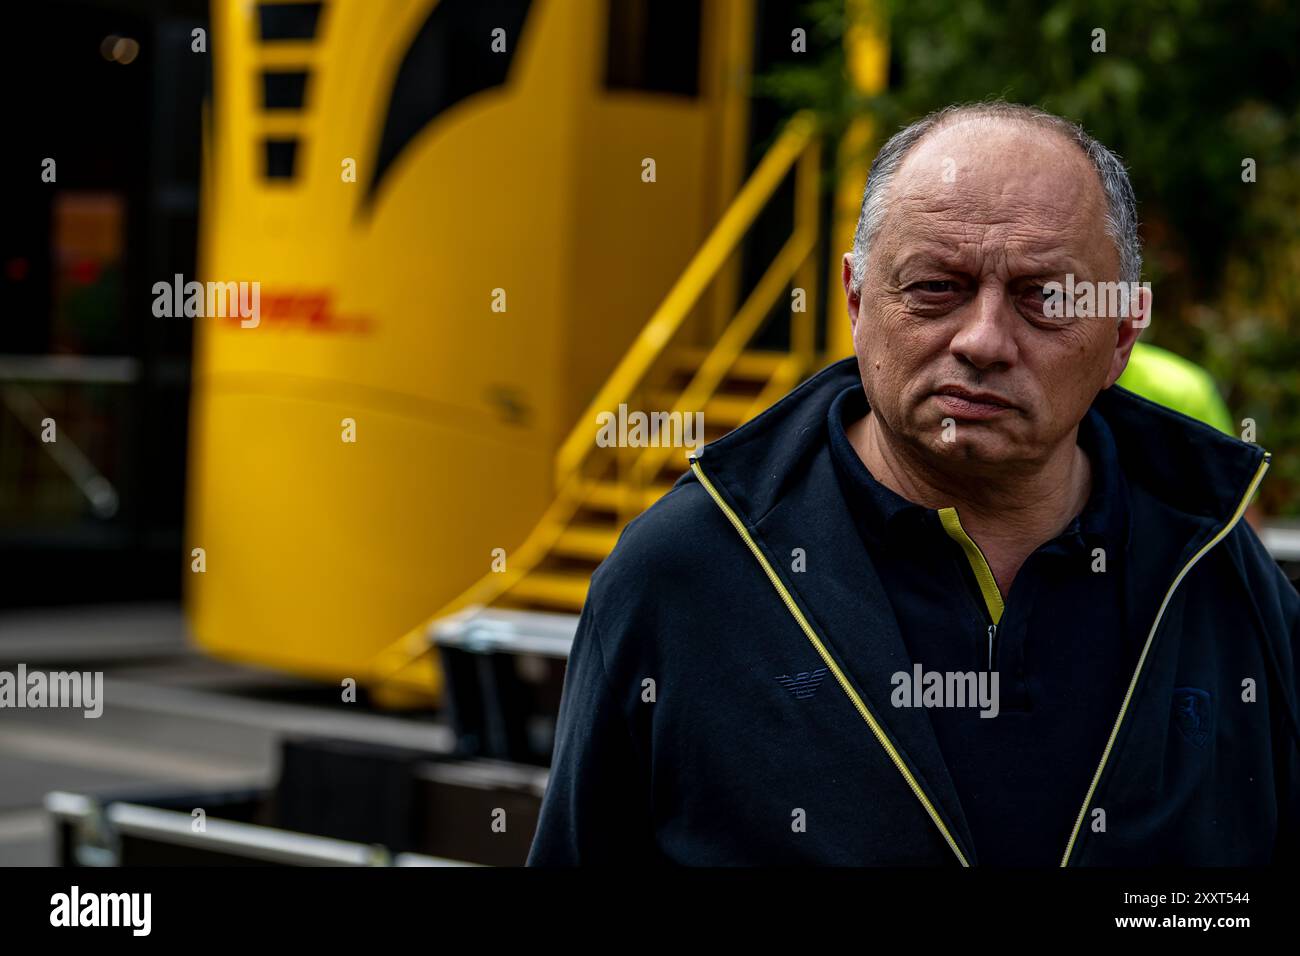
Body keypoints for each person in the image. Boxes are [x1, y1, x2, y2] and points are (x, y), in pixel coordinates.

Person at [527, 102, 1300, 866]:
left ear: (1122, 336)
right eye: (936, 286)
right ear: (857, 300)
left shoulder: (1221, 578)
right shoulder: (686, 575)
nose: (984, 341)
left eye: (1047, 298)